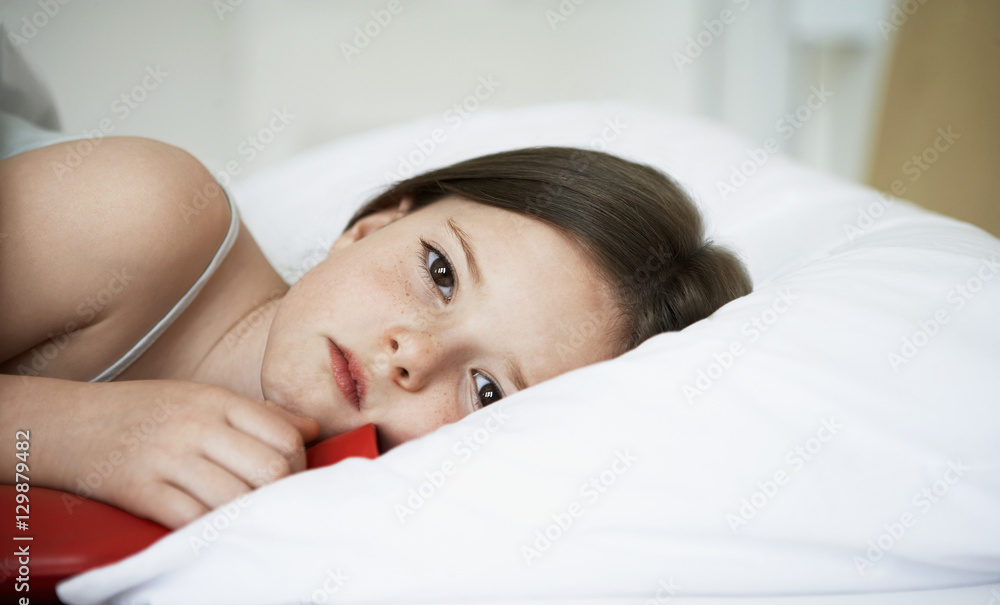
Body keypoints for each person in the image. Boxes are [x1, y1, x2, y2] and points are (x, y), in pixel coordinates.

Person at [0, 125, 752, 530]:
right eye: (441, 272)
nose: (412, 354)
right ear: (370, 226)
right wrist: (71, 430)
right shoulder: (142, 209)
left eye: (487, 389)